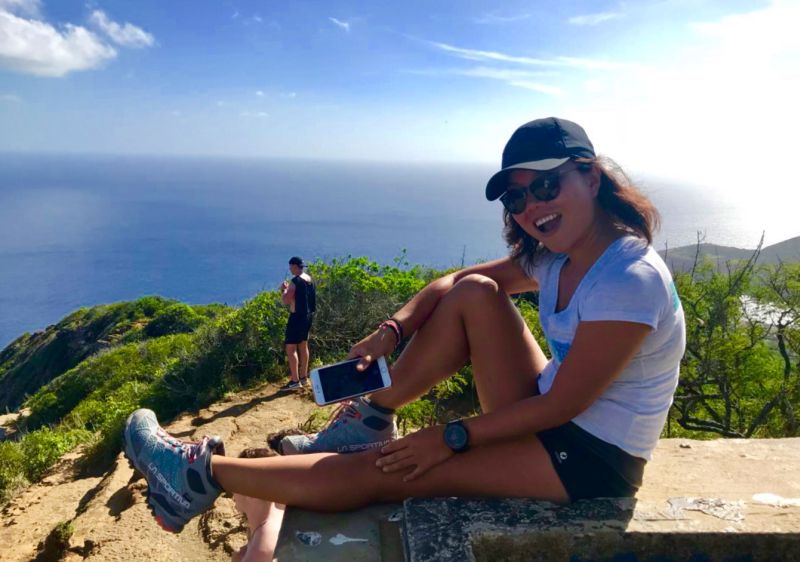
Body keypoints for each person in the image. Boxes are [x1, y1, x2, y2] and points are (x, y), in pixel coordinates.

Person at [123, 116, 686, 534]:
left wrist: (449, 437)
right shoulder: (556, 255)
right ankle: (373, 414)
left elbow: (561, 407)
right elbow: (454, 282)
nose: (530, 206)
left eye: (545, 185)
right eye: (517, 196)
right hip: (547, 414)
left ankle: (199, 475)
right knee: (475, 293)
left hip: (588, 461)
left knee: (389, 471)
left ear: (590, 176)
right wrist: (393, 329)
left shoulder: (629, 278)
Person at [231, 448, 285, 562]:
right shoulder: (280, 511)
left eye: (235, 483)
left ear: (251, 491)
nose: (232, 492)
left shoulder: (263, 546)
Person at [279, 256, 316, 392]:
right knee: (303, 345)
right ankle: (303, 377)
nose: (289, 270)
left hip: (296, 317)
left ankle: (295, 381)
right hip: (307, 317)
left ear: (295, 266)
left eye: (290, 267)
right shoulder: (309, 279)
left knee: (291, 348)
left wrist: (284, 289)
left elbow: (286, 300)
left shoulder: (295, 282)